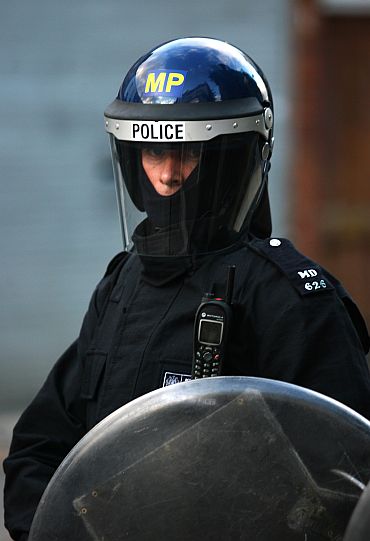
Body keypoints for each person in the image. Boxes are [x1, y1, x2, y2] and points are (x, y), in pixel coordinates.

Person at [3, 37, 370, 541]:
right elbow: (39, 449)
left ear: (237, 158)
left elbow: (346, 488)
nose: (169, 176)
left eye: (190, 153)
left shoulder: (292, 300)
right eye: (154, 152)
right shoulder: (120, 286)